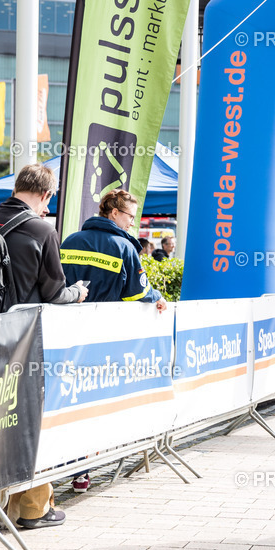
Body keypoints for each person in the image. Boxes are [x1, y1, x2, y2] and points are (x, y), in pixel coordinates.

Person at [0, 163, 88, 530]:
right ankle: (34, 508)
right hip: (22, 343)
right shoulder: (42, 229)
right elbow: (55, 293)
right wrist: (78, 293)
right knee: (29, 425)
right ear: (45, 195)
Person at [60, 189, 168, 493]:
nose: (132, 224)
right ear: (113, 213)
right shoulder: (124, 247)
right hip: (105, 340)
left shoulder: (70, 241)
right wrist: (157, 296)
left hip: (66, 335)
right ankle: (83, 470)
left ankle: (65, 464)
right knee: (96, 403)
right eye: (130, 217)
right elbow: (136, 292)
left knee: (68, 401)